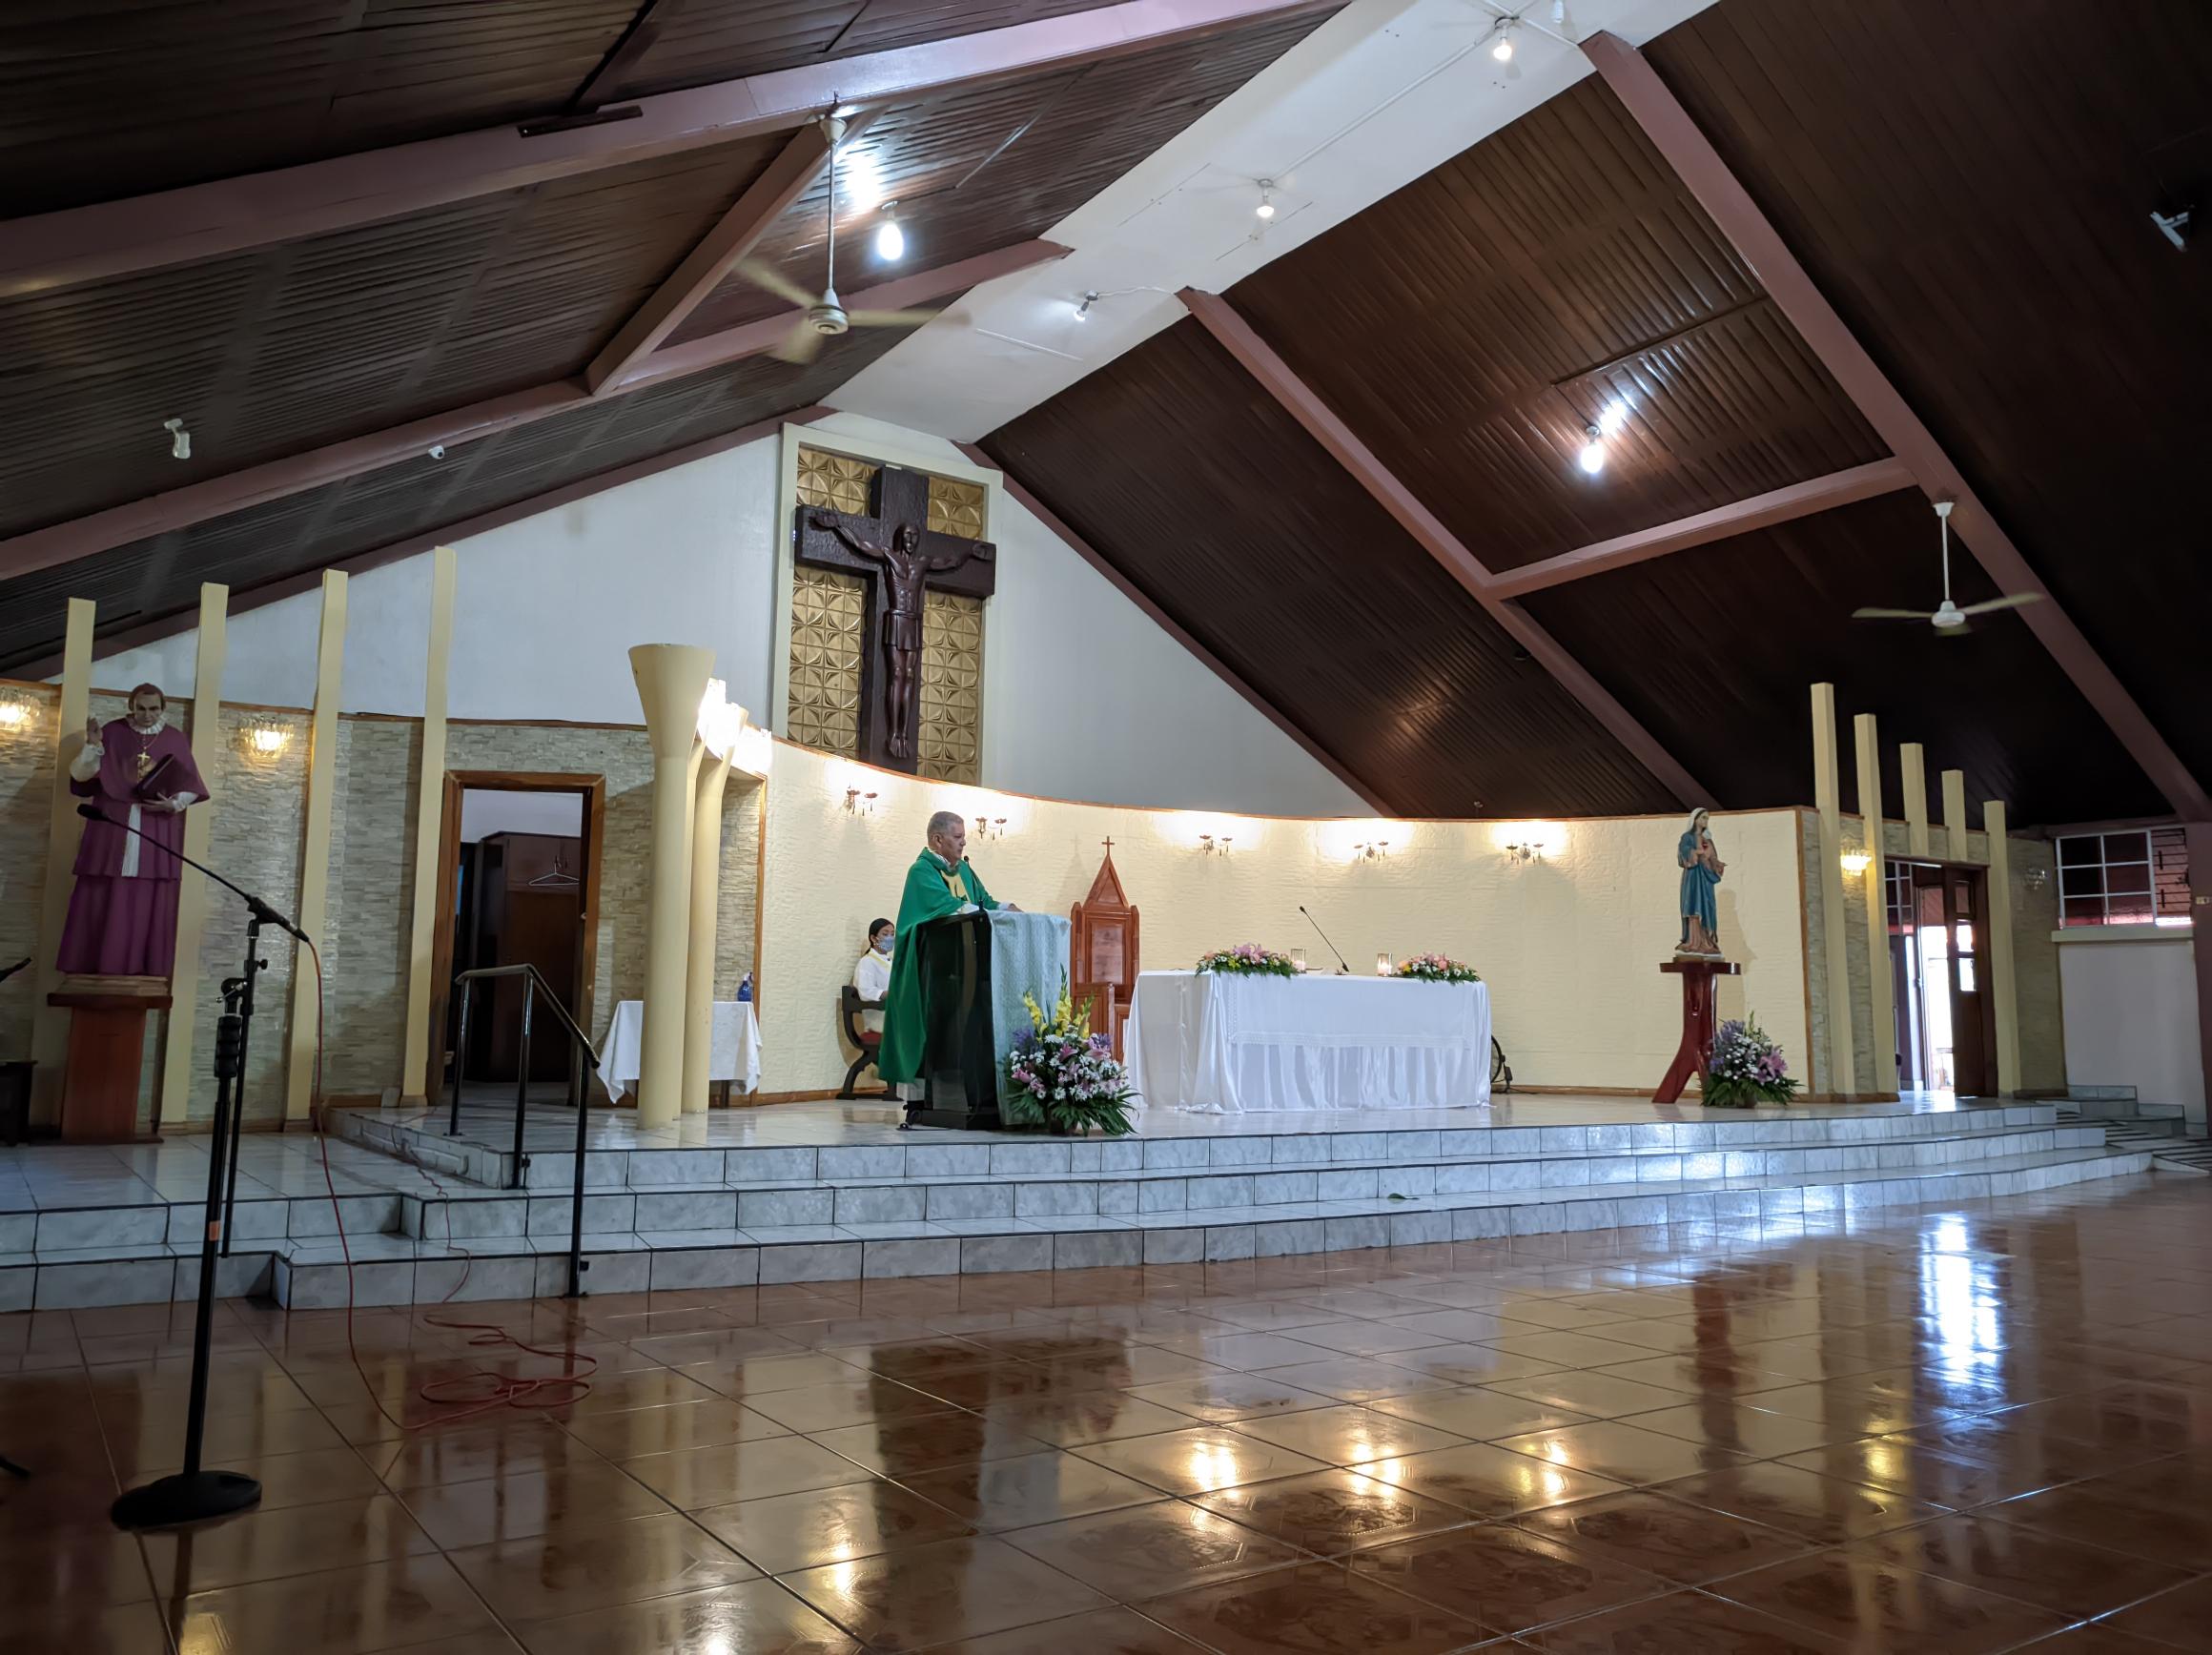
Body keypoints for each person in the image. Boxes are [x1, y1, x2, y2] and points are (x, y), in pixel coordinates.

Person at [58, 684, 209, 977]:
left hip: (155, 823)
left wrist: (173, 804)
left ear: (163, 708)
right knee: (102, 891)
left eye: (154, 709)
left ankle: (143, 968)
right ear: (131, 706)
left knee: (147, 896)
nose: (147, 715)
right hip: (112, 821)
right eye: (141, 708)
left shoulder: (174, 738)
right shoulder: (111, 732)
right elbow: (81, 776)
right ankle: (93, 966)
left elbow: (191, 784)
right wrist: (92, 746)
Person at [876, 810, 1018, 1087]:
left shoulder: (964, 869)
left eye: (963, 837)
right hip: (937, 967)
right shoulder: (921, 871)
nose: (963, 842)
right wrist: (981, 912)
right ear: (938, 839)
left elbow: (984, 901)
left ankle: (973, 1088)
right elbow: (944, 906)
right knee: (942, 1031)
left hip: (971, 963)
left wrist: (1006, 908)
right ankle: (937, 1090)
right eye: (958, 837)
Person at [1676, 807, 1726, 958]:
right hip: (1693, 876)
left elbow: (1713, 857)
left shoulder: (1708, 840)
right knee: (1693, 905)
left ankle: (1706, 942)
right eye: (1703, 817)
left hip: (1705, 878)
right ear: (1695, 819)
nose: (1705, 821)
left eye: (1707, 818)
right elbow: (1683, 853)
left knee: (1706, 906)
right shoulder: (1687, 837)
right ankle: (1693, 942)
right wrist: (1695, 852)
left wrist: (1717, 864)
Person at [852, 917, 894, 1034]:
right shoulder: (867, 962)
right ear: (873, 938)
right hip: (879, 1023)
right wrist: (893, 994)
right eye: (885, 934)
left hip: (895, 1017)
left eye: (892, 934)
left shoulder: (891, 962)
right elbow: (866, 991)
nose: (890, 938)